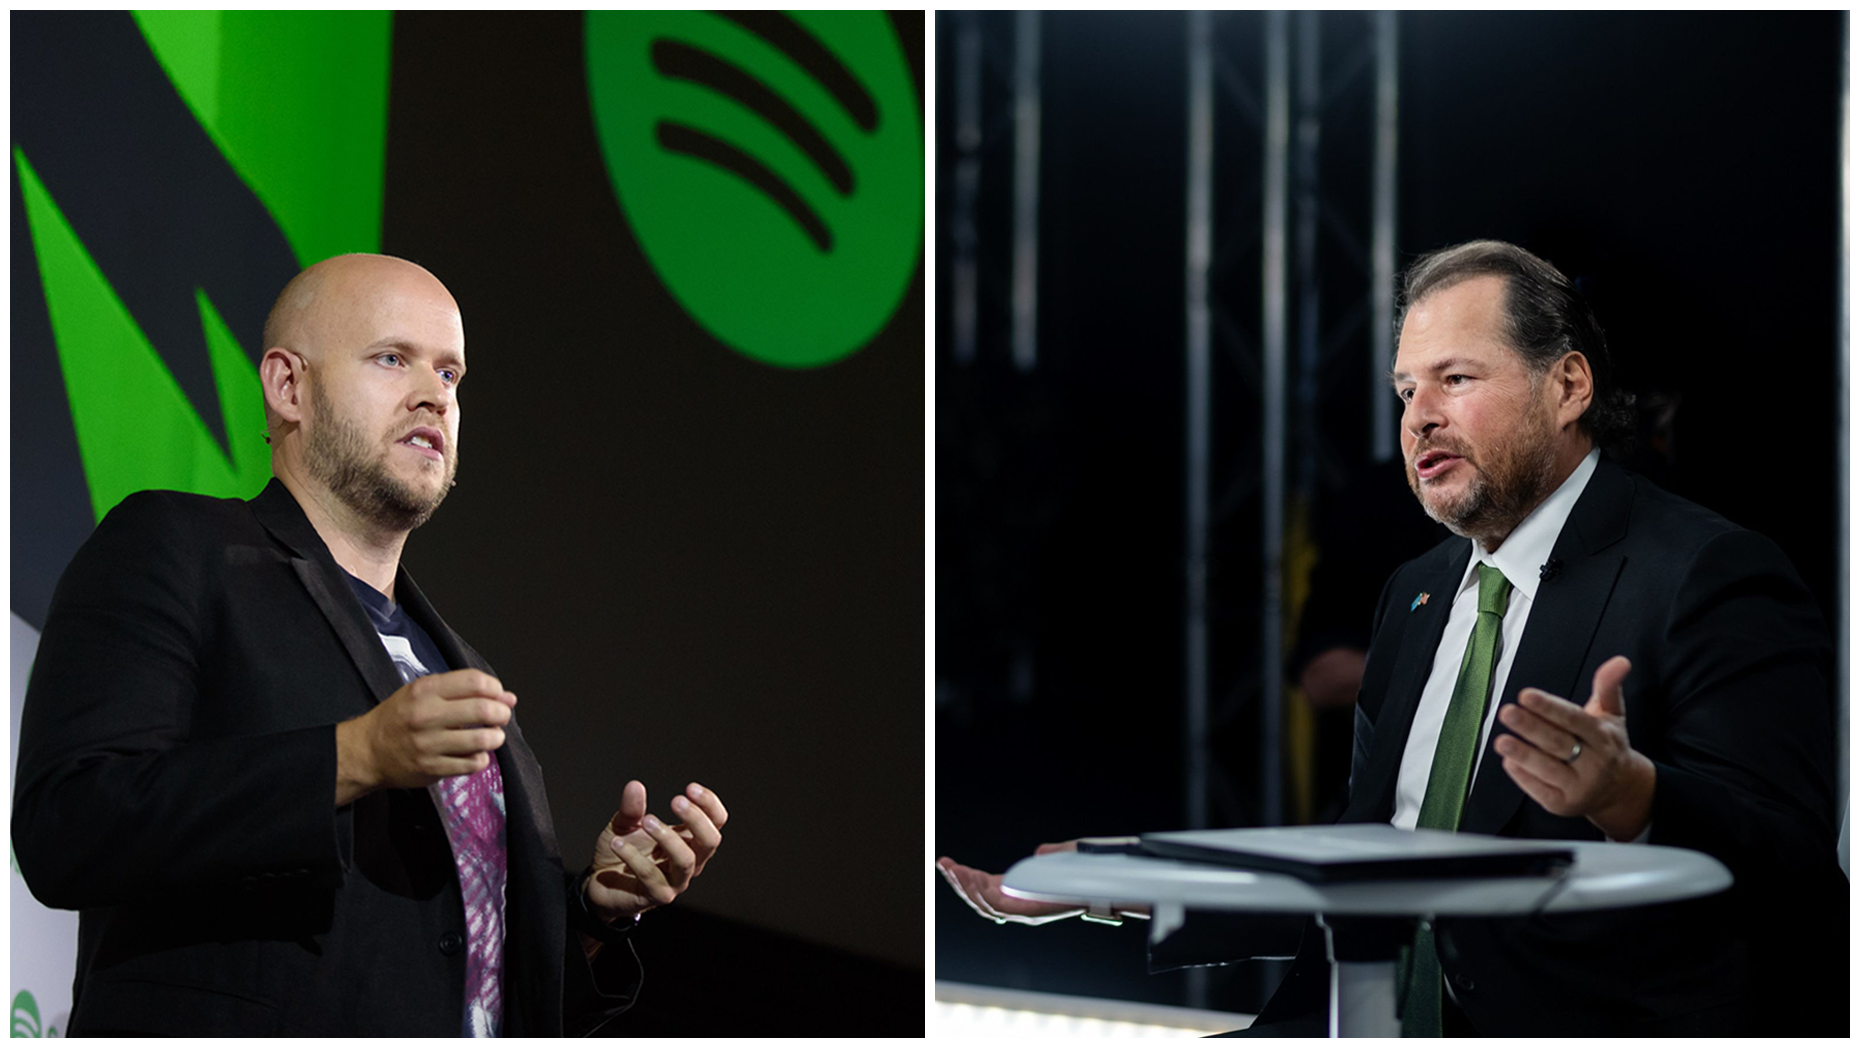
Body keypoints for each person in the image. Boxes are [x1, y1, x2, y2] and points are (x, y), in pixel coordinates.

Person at [938, 240, 1844, 1036]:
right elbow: (1365, 858)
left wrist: (1632, 796)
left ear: (1568, 385)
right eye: (1407, 389)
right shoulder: (1416, 594)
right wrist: (1117, 882)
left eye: (1456, 379)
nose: (1419, 417)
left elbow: (1802, 881)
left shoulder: (1709, 572)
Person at [12, 254, 730, 1036]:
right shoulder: (180, 550)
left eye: (451, 375)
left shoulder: (460, 661)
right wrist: (352, 757)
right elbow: (68, 823)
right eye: (393, 359)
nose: (435, 396)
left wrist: (591, 909)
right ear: (289, 387)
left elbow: (455, 962)